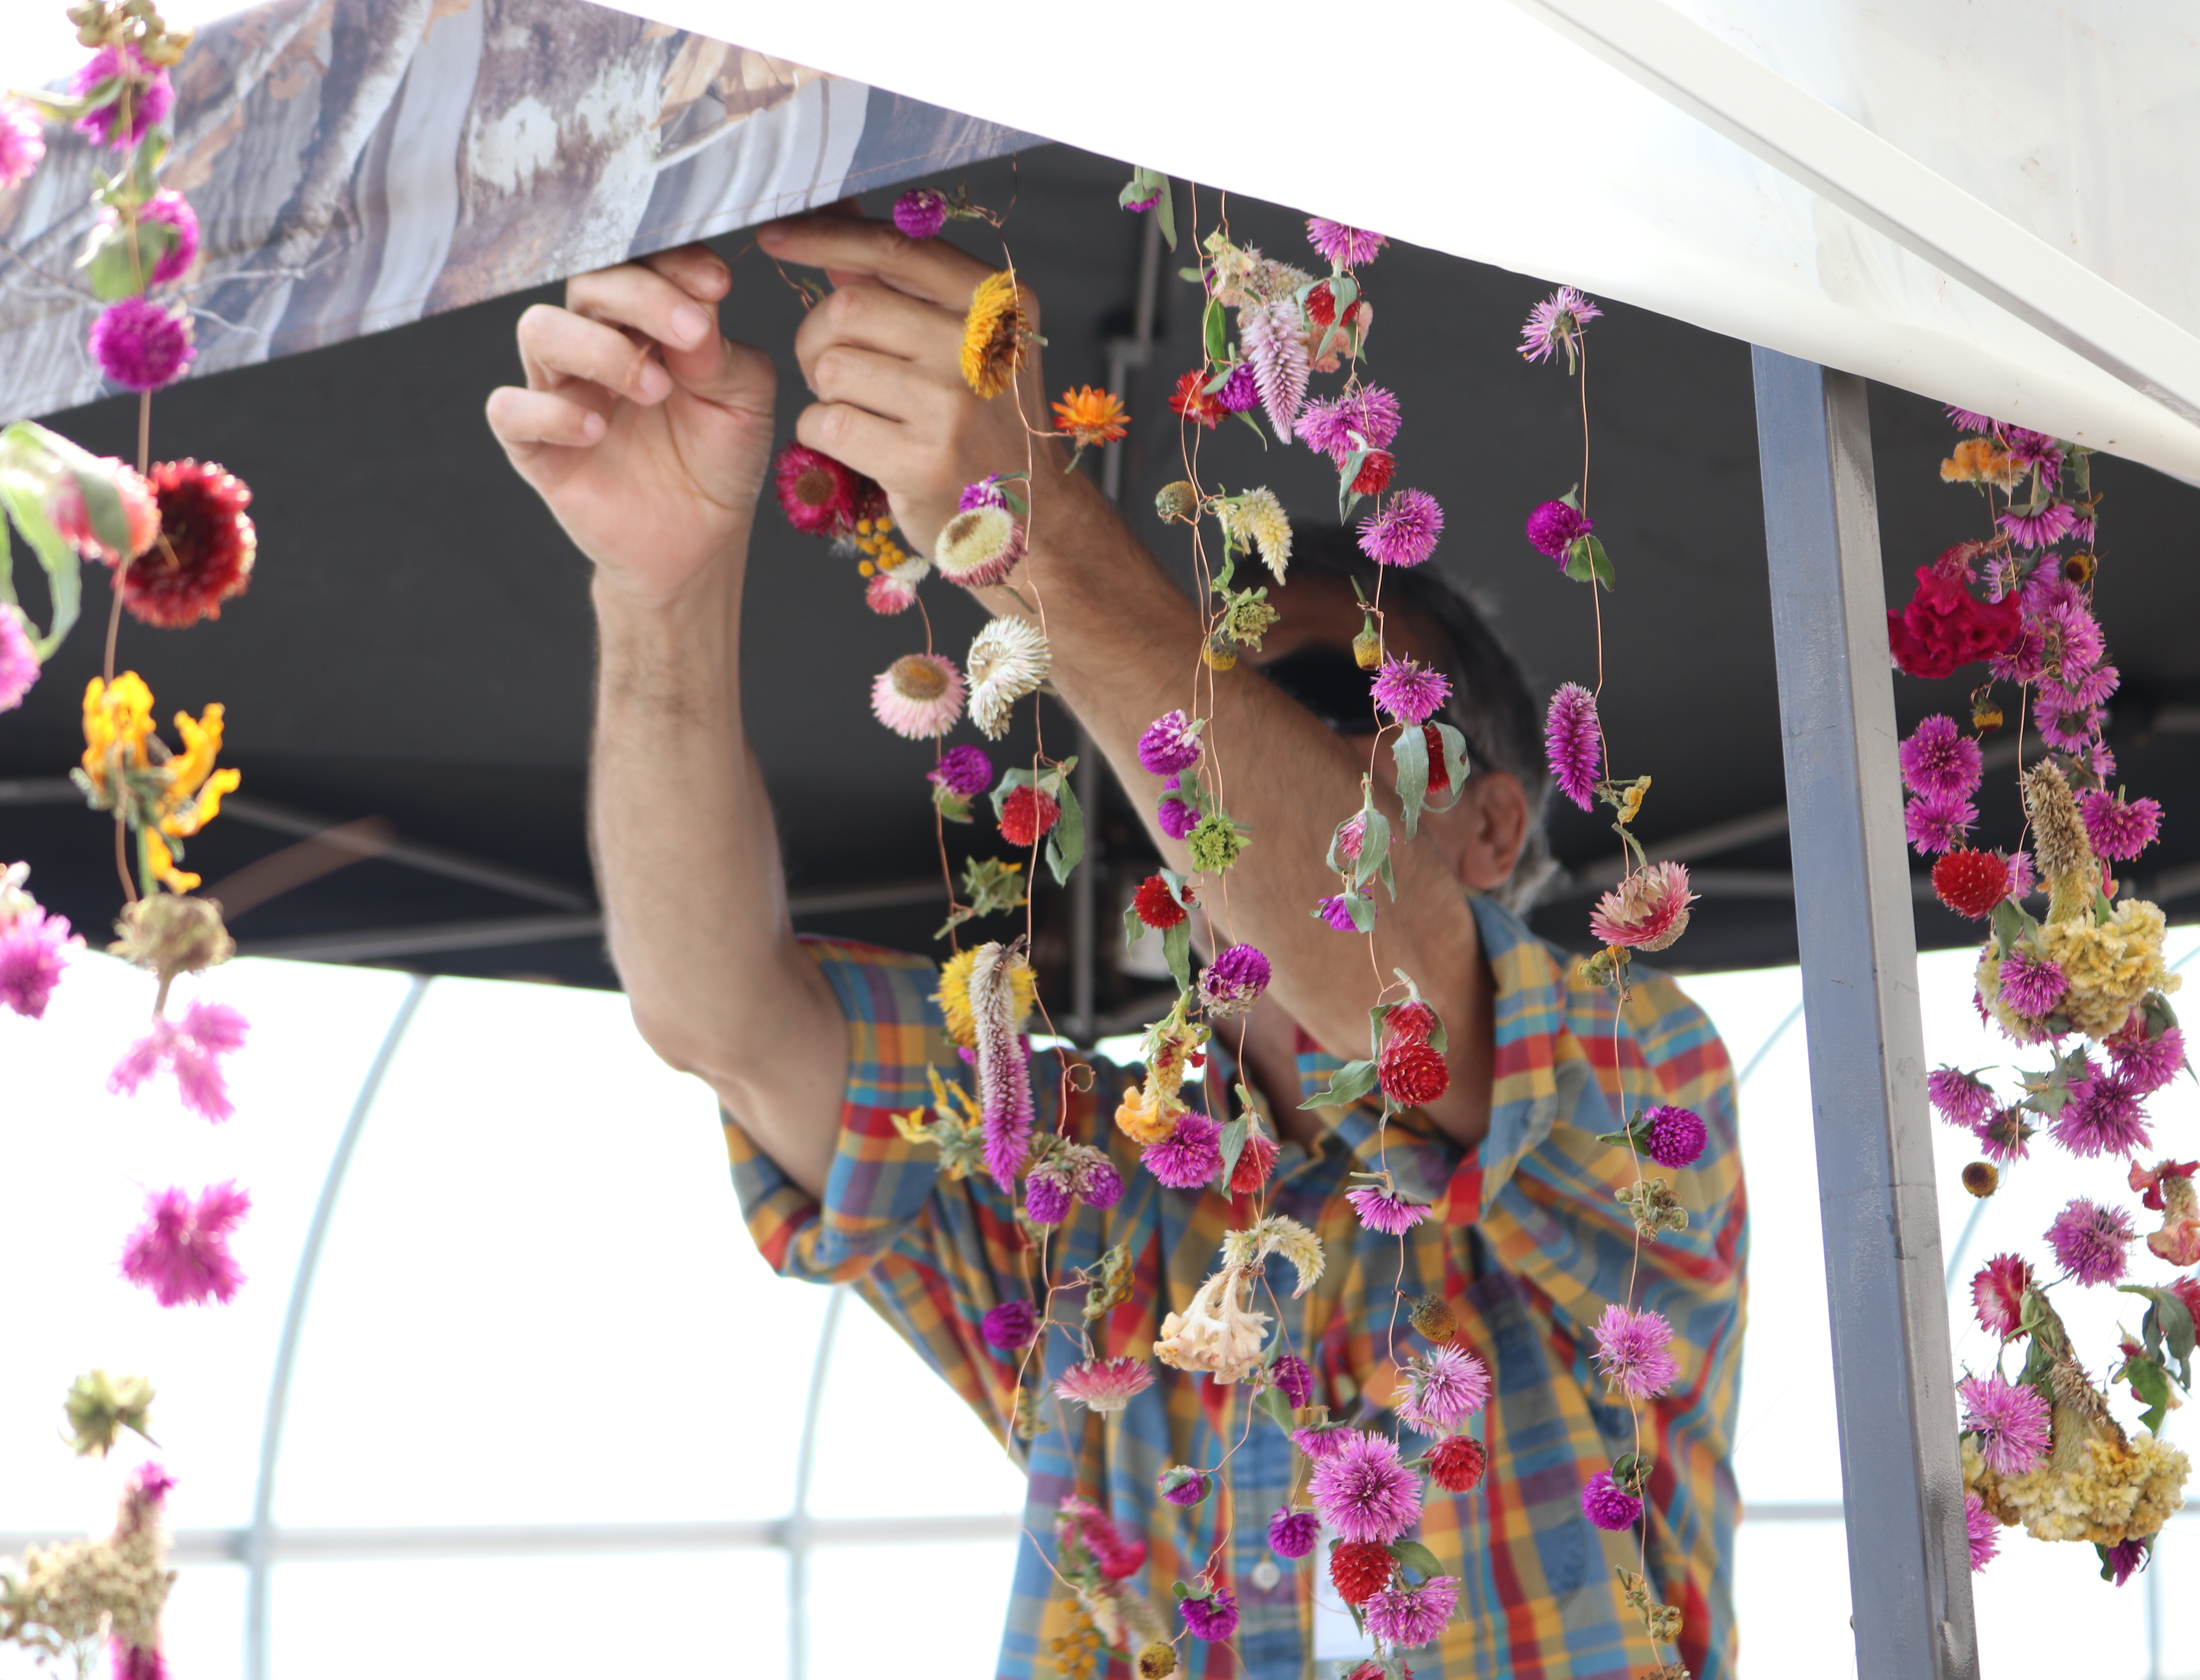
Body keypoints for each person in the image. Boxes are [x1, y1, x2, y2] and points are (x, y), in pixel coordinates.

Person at [486, 211, 1744, 1680]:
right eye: (1199, 700)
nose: (1204, 739)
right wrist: (658, 592)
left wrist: (1042, 530)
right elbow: (721, 1013)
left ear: (1487, 824)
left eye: (1311, 699)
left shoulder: (1644, 1074)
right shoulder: (1100, 1196)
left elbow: (1375, 985)